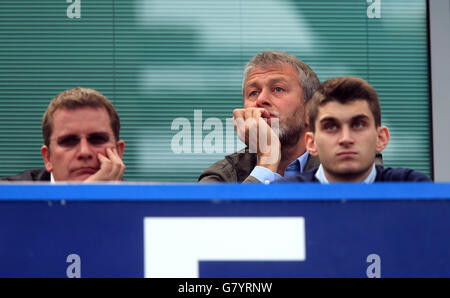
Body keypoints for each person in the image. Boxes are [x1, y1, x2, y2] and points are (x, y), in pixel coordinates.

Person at [198, 50, 322, 183]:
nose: (261, 99)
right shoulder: (221, 176)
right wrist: (267, 159)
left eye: (278, 89)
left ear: (310, 110)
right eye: (253, 92)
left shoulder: (336, 167)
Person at [280, 76, 431, 183]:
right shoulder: (284, 197)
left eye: (358, 125)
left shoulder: (412, 187)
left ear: (381, 138)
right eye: (331, 127)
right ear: (311, 143)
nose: (345, 139)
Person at [2, 87, 126, 182]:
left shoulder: (141, 205)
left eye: (97, 139)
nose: (84, 152)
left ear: (119, 152)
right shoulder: (8, 198)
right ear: (48, 158)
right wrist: (84, 197)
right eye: (69, 141)